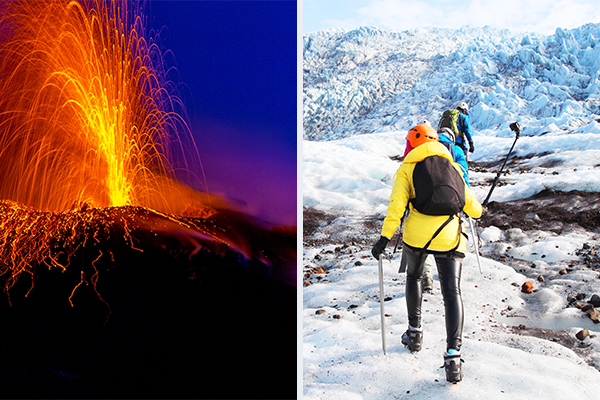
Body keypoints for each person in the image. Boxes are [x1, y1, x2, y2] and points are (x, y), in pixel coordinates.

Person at [371, 124, 483, 383]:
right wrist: (480, 212)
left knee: (414, 277)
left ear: (411, 145)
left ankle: (415, 334)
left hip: (416, 238)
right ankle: (453, 357)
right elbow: (472, 206)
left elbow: (397, 206)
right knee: (452, 293)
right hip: (450, 236)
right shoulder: (452, 166)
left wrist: (384, 238)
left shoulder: (407, 168)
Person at [421, 127, 470, 292]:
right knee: (450, 236)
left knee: (424, 238)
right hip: (451, 202)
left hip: (425, 201)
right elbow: (463, 175)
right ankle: (450, 280)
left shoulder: (427, 146)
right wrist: (466, 200)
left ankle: (426, 273)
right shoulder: (456, 150)